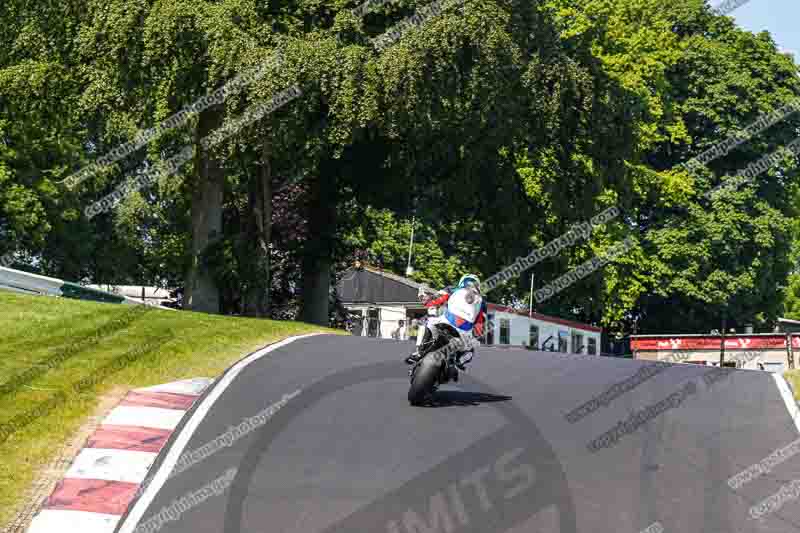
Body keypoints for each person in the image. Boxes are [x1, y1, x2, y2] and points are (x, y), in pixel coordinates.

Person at [404, 274, 487, 369]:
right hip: (464, 333)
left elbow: (436, 300)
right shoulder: (482, 302)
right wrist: (476, 336)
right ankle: (458, 362)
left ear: (462, 282)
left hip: (445, 321)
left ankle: (418, 352)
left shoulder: (453, 289)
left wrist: (426, 301)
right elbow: (480, 325)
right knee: (470, 350)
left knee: (425, 324)